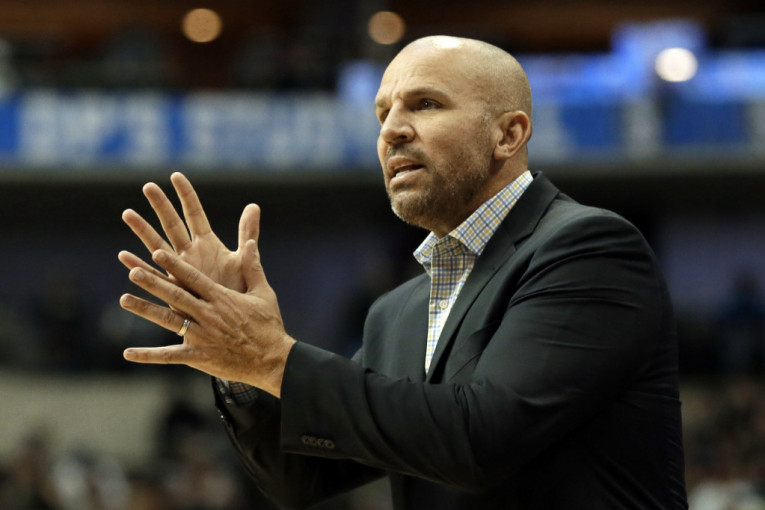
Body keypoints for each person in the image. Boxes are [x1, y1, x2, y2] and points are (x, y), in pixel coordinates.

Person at [117, 36, 688, 509]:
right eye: (382, 112)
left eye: (426, 104)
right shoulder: (398, 312)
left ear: (508, 134)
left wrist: (273, 358)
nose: (392, 129)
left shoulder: (587, 249)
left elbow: (481, 440)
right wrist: (238, 367)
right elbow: (302, 478)